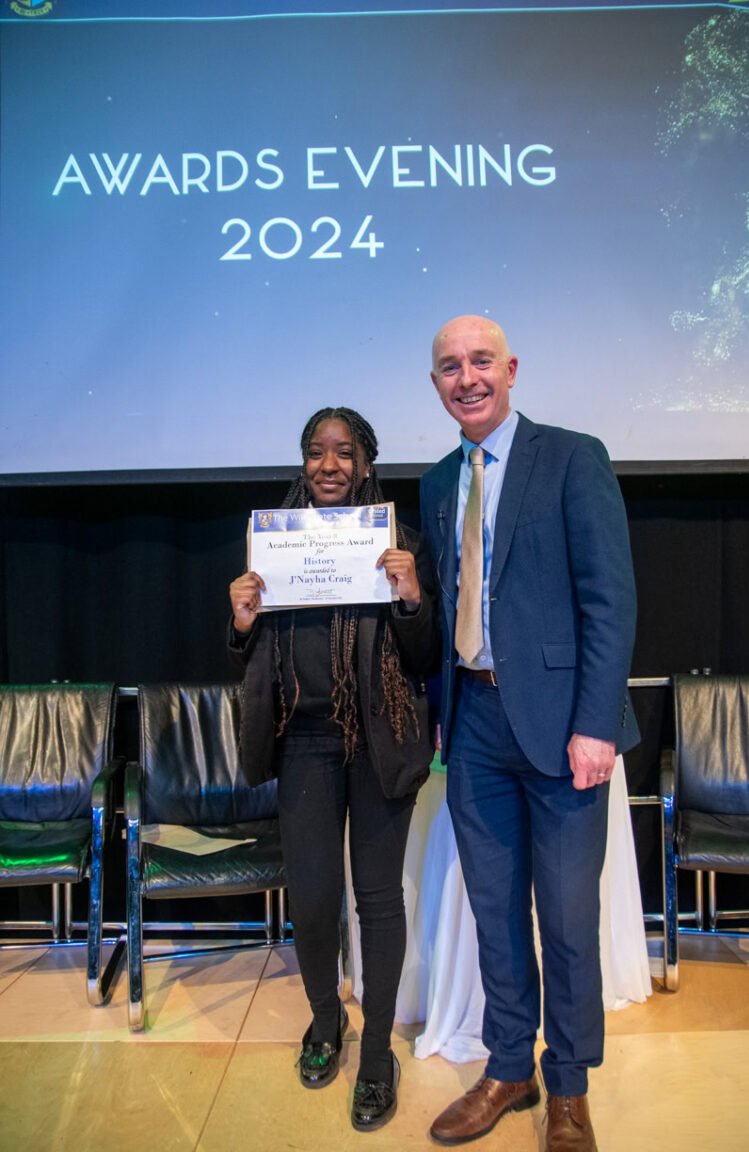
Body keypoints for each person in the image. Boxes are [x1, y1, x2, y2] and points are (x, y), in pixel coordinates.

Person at [420, 316, 639, 1152]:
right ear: (436, 385)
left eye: (481, 361)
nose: (467, 378)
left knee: (570, 924)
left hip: (562, 729)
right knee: (496, 915)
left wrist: (595, 726)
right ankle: (509, 1068)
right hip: (474, 726)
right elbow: (449, 606)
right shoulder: (438, 483)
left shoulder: (573, 458)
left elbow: (609, 602)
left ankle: (569, 1089)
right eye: (450, 367)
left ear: (511, 369)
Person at [228, 406, 439, 1133]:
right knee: (314, 900)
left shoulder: (401, 542)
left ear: (366, 463)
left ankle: (377, 1053)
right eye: (317, 452)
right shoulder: (272, 541)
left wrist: (412, 599)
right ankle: (326, 1021)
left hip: (380, 739)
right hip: (304, 742)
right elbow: (250, 651)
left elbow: (425, 657)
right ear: (303, 461)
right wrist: (242, 621)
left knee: (378, 900)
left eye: (344, 453)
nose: (329, 465)